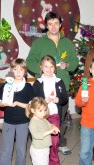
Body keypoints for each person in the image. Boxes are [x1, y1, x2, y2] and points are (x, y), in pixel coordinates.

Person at [26, 12, 78, 156]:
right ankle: (42, 143)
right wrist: (42, 69)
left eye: (56, 23)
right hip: (43, 89)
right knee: (41, 117)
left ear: (60, 24)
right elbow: (29, 61)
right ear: (46, 25)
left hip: (62, 88)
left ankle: (59, 143)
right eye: (50, 24)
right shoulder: (39, 43)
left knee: (59, 118)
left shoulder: (67, 42)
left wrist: (66, 64)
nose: (53, 27)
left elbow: (75, 62)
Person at [0, 58, 35, 165]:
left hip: (23, 122)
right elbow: (0, 102)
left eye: (21, 69)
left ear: (25, 72)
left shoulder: (28, 87)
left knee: (21, 149)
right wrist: (2, 103)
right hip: (9, 122)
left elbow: (31, 105)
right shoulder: (6, 85)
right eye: (15, 69)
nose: (18, 72)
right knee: (6, 149)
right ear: (11, 71)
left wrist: (17, 103)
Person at [32, 55, 69, 165]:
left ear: (55, 68)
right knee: (43, 143)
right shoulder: (38, 83)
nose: (49, 69)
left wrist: (58, 100)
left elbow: (64, 99)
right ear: (41, 68)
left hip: (54, 116)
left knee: (54, 142)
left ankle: (54, 164)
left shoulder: (59, 82)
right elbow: (34, 101)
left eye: (51, 66)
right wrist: (44, 101)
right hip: (41, 118)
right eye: (46, 66)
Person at [26, 97, 60, 165]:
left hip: (44, 148)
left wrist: (54, 127)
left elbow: (50, 125)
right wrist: (49, 131)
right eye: (40, 110)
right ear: (33, 110)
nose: (43, 113)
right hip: (38, 150)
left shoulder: (42, 119)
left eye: (45, 110)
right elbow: (37, 135)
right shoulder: (33, 122)